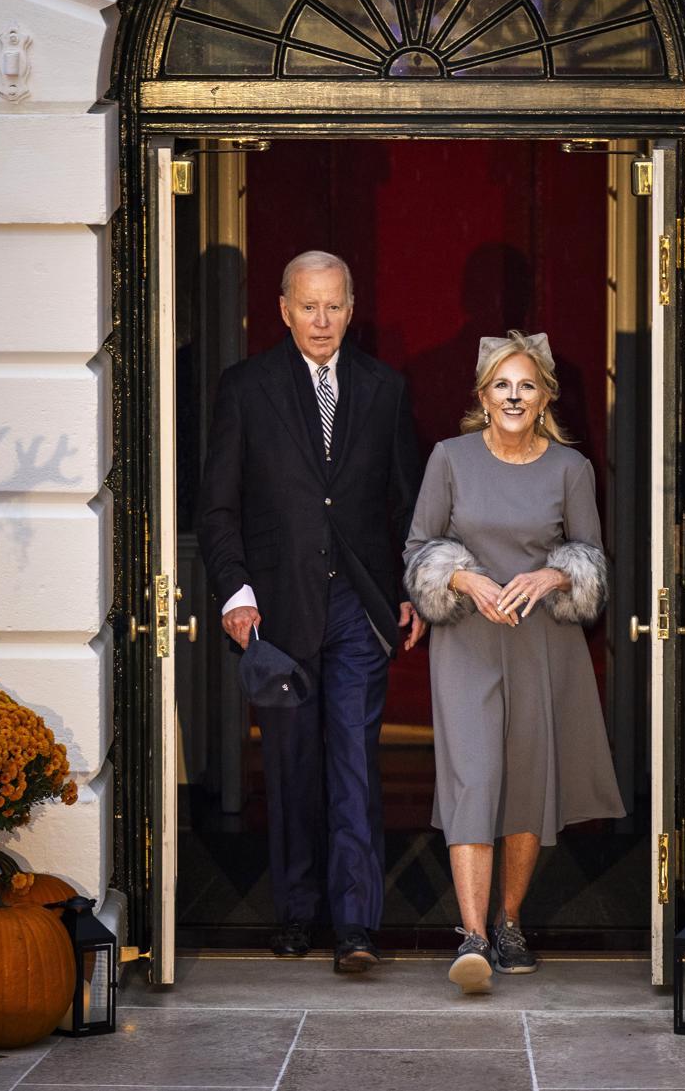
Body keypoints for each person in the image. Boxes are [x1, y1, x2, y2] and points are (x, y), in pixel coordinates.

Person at [200, 250, 424, 972]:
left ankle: (356, 924)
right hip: (279, 609)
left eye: (334, 305)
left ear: (351, 308)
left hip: (358, 607)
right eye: (309, 306)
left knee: (356, 764)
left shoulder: (383, 387)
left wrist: (410, 586)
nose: (322, 320)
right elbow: (218, 506)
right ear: (284, 308)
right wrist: (236, 592)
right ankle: (298, 912)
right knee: (292, 767)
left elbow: (406, 501)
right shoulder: (246, 387)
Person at [402, 331, 623, 995]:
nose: (514, 395)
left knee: (526, 779)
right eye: (503, 384)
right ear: (483, 395)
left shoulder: (570, 469)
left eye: (527, 384)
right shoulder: (449, 459)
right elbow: (418, 548)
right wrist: (465, 579)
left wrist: (553, 577)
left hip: (541, 647)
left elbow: (592, 560)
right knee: (473, 775)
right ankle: (470, 935)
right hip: (467, 640)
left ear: (546, 394)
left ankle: (508, 921)